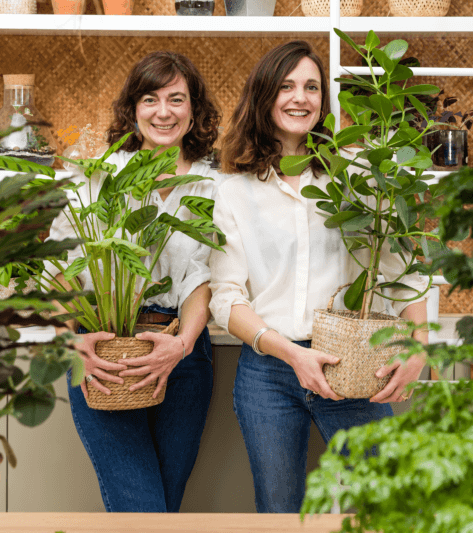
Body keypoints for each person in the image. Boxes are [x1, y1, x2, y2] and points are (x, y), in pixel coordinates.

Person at [209, 40, 428, 513]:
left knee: (382, 505)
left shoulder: (355, 177)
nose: (300, 97)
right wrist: (291, 355)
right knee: (279, 510)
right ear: (264, 96)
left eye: (311, 87)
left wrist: (419, 344)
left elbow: (402, 268)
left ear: (324, 102)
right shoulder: (233, 192)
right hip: (269, 372)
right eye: (286, 86)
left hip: (352, 363)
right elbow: (226, 298)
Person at [47, 51, 221, 512]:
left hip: (180, 354)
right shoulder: (97, 179)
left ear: (194, 111)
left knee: (164, 509)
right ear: (133, 109)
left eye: (176, 99)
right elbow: (61, 271)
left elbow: (204, 279)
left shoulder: (214, 188)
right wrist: (71, 343)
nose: (163, 112)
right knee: (140, 508)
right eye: (150, 99)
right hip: (103, 352)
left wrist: (182, 343)